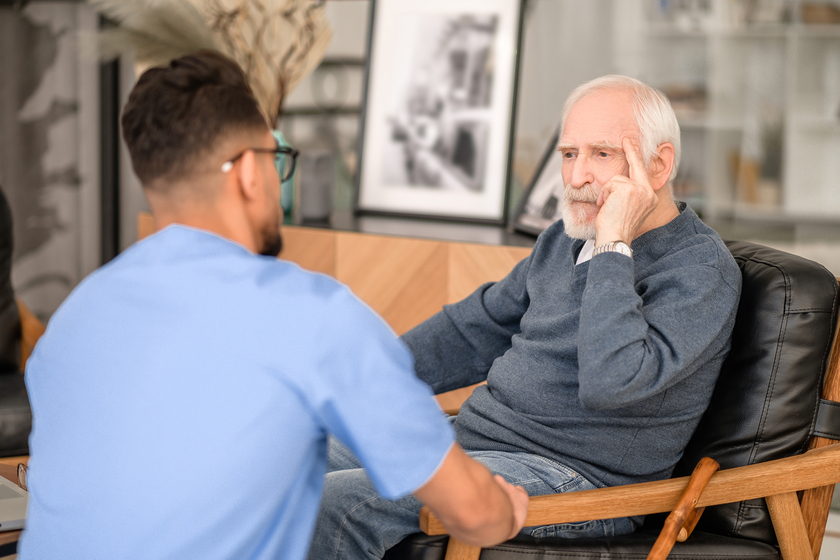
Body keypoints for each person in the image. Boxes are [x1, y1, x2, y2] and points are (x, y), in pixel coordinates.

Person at [18, 50, 528, 560]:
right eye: (275, 159)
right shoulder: (314, 316)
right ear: (248, 174)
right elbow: (476, 514)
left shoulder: (74, 318)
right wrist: (505, 506)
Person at [308, 75, 743, 560]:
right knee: (284, 452)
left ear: (658, 166)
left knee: (335, 503)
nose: (576, 176)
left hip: (575, 481)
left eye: (601, 154)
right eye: (568, 153)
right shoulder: (563, 240)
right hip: (474, 444)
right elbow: (474, 330)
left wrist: (612, 244)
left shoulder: (700, 270)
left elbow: (611, 383)